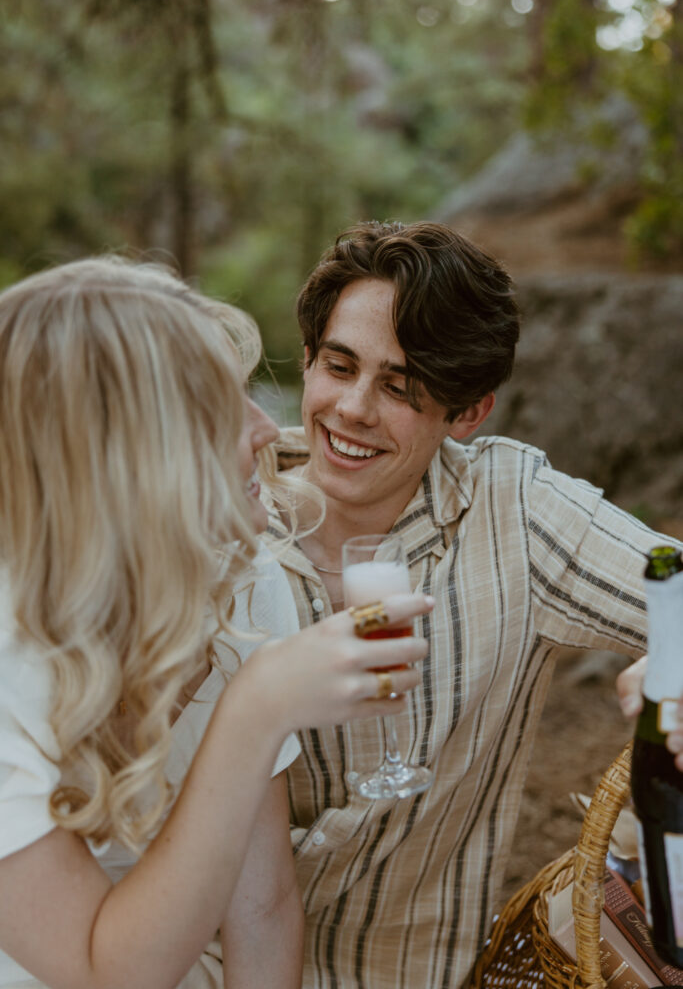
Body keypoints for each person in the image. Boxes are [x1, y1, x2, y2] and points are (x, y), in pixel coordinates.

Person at [261, 220, 683, 989]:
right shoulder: (215, 517)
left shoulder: (511, 511)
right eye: (338, 365)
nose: (351, 409)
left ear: (465, 415)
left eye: (399, 387)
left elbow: (679, 591)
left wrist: (676, 658)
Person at [0, 256, 434, 989]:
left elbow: (259, 906)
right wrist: (253, 710)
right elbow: (102, 974)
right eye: (224, 407)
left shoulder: (236, 573)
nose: (269, 428)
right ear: (134, 459)